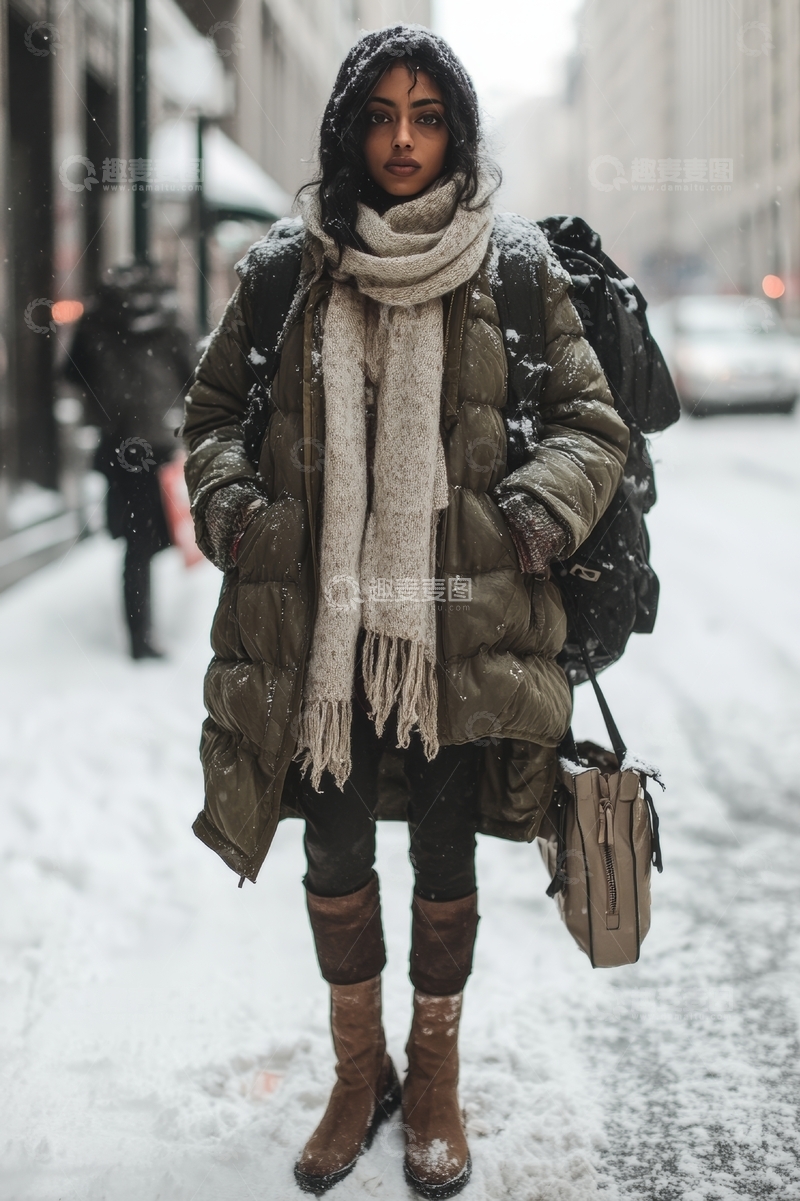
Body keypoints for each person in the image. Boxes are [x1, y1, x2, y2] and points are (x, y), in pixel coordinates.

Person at [182, 26, 629, 1199]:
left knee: (442, 847)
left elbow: (591, 423)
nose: (401, 138)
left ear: (457, 132)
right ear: (346, 127)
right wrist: (236, 511)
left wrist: (534, 510)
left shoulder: (513, 269)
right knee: (331, 845)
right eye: (380, 114)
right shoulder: (286, 269)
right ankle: (355, 1069)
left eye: (426, 116)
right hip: (322, 633)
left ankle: (432, 1076)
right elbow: (214, 410)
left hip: (456, 630)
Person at [65, 267, 195, 659]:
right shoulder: (169, 320)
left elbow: (71, 373)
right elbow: (194, 376)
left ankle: (139, 629)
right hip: (157, 442)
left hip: (119, 443)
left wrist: (102, 409)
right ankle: (142, 631)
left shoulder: (96, 321)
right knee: (150, 537)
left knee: (135, 542)